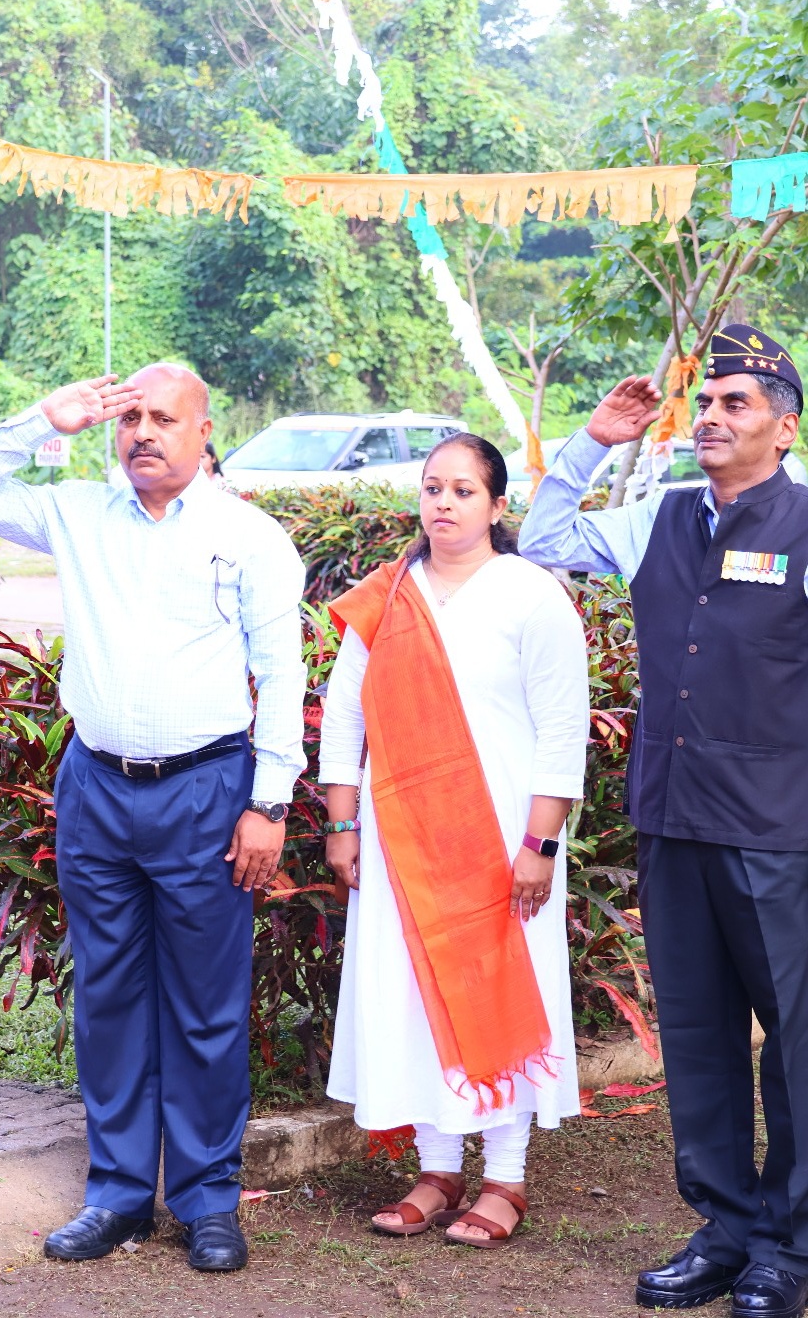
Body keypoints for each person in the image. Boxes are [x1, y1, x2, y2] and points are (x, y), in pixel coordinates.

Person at [0, 365, 306, 1274]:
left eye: (163, 417)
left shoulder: (248, 536)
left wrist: (268, 803)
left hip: (206, 791)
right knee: (108, 999)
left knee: (207, 1007)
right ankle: (117, 1195)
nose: (142, 431)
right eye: (129, 416)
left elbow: (282, 672)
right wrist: (43, 418)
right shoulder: (78, 514)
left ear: (205, 429)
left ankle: (208, 1201)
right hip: (97, 789)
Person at [518, 324, 808, 1318]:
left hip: (776, 829)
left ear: (783, 424)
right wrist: (592, 443)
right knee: (696, 1035)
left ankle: (789, 1247)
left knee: (794, 1042)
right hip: (674, 819)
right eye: (707, 401)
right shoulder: (660, 515)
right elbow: (542, 540)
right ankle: (724, 1229)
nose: (711, 417)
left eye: (736, 403)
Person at [319, 432, 589, 1246]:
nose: (444, 502)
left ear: (497, 505)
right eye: (433, 487)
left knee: (499, 986)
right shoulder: (388, 595)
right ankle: (437, 1170)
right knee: (413, 990)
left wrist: (540, 844)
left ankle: (505, 1178)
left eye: (464, 490)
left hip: (502, 835)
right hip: (400, 836)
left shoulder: (531, 594)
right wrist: (342, 823)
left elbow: (562, 730)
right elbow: (344, 717)